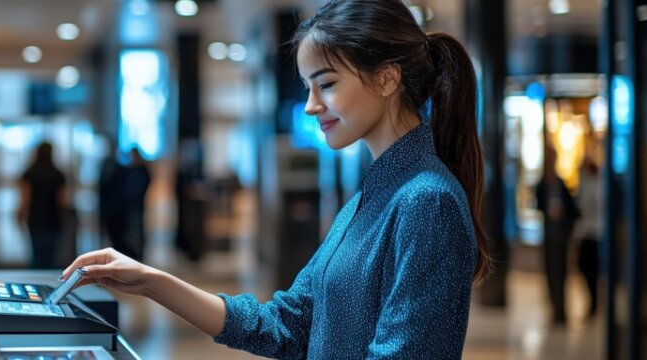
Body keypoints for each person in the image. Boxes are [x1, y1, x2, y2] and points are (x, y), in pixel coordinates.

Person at [60, 1, 490, 358]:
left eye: (326, 84)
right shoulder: (373, 196)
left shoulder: (425, 200)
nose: (310, 105)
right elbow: (289, 324)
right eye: (307, 87)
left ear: (387, 77)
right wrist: (152, 281)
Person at [536, 144, 581, 325]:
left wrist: (565, 220)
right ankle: (555, 306)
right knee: (550, 272)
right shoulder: (542, 183)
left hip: (560, 236)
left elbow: (573, 209)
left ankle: (562, 308)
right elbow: (538, 204)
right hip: (548, 236)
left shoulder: (561, 183)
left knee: (561, 272)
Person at [19, 142, 67, 269]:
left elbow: (25, 200)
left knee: (36, 256)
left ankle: (35, 283)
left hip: (35, 221)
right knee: (51, 258)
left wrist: (20, 216)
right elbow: (61, 201)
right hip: (53, 221)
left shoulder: (29, 173)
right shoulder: (58, 174)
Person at [574, 156, 601, 318]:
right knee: (590, 269)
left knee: (588, 268)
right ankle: (594, 301)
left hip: (591, 233)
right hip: (594, 233)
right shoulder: (599, 186)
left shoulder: (590, 187)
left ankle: (594, 301)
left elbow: (583, 210)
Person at [121, 148, 151, 261]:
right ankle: (132, 252)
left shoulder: (142, 170)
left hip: (137, 205)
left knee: (137, 229)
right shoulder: (129, 170)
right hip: (129, 206)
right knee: (130, 230)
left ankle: (138, 253)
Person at [98, 146, 128, 260]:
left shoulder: (114, 169)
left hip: (112, 211)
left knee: (116, 238)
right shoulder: (119, 169)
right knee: (116, 237)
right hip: (115, 211)